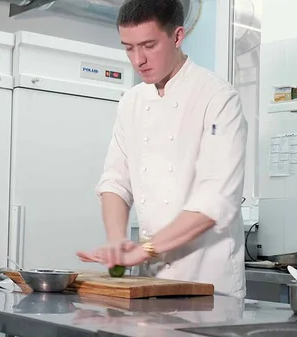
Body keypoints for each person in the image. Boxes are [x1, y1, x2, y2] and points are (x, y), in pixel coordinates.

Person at [76, 0, 248, 299]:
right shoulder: (131, 102)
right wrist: (117, 242)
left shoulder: (218, 98)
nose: (138, 59)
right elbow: (115, 181)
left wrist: (145, 250)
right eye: (128, 48)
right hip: (150, 281)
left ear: (178, 36)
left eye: (149, 45)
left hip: (208, 283)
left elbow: (216, 198)